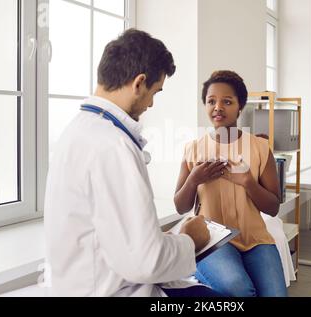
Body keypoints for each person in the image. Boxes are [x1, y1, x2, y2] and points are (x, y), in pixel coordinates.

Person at [44, 28, 220, 297]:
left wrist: (166, 240)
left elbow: (118, 236)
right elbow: (145, 262)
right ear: (139, 83)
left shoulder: (76, 132)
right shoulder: (114, 146)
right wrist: (190, 239)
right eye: (155, 92)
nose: (150, 104)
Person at [174, 70, 288, 297]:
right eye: (211, 101)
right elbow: (180, 206)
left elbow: (273, 208)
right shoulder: (193, 149)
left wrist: (248, 182)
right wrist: (194, 178)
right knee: (239, 289)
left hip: (255, 240)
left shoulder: (260, 148)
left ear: (240, 106)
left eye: (227, 101)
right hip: (212, 240)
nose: (218, 107)